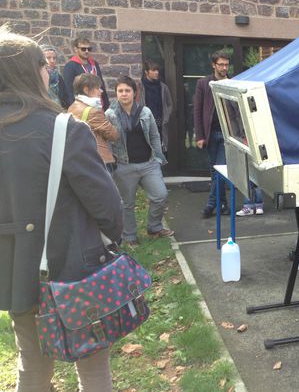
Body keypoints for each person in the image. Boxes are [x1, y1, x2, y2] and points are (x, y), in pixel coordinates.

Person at [0, 25, 122, 391]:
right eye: (44, 65)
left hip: (16, 274)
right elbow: (109, 209)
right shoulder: (63, 129)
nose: (50, 71)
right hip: (74, 270)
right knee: (93, 369)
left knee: (32, 369)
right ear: (30, 72)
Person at [106, 76, 174, 243]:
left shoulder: (145, 112)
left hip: (148, 164)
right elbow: (106, 141)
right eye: (120, 91)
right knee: (127, 204)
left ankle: (154, 228)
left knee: (160, 195)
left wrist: (158, 158)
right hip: (124, 165)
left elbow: (154, 136)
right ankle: (129, 236)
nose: (123, 94)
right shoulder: (110, 114)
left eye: (127, 90)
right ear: (116, 93)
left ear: (134, 93)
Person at [194, 51, 231, 218]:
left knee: (220, 171)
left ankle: (210, 205)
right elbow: (197, 110)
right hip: (210, 134)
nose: (224, 68)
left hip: (227, 135)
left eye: (226, 64)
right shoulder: (203, 83)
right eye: (221, 64)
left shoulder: (232, 82)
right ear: (213, 65)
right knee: (215, 171)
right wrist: (200, 136)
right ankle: (223, 204)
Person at [68, 73, 119, 172]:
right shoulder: (93, 111)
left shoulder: (72, 107)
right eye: (98, 88)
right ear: (86, 90)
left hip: (81, 157)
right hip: (98, 159)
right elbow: (114, 135)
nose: (101, 91)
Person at [62, 37, 109, 110]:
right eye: (83, 49)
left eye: (89, 49)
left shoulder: (94, 64)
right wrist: (74, 109)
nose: (86, 51)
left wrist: (107, 106)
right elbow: (69, 91)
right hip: (83, 108)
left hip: (99, 105)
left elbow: (101, 85)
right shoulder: (70, 67)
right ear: (76, 49)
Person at [138, 60, 173, 153]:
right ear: (146, 72)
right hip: (145, 123)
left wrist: (166, 116)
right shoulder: (140, 87)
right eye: (153, 70)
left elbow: (169, 104)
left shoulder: (163, 87)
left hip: (160, 124)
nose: (156, 72)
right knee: (146, 150)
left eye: (157, 70)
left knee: (160, 152)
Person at [40, 44, 69, 108]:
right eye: (48, 58)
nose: (52, 61)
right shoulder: (36, 77)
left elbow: (65, 97)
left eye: (54, 58)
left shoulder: (58, 77)